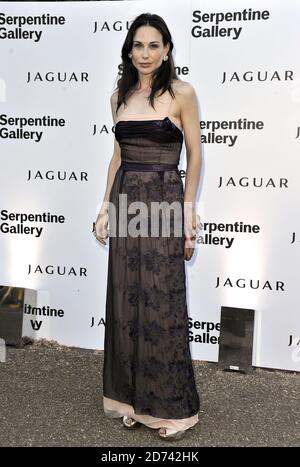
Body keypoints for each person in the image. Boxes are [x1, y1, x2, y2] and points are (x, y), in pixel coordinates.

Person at [93, 12, 202, 441]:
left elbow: (194, 154)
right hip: (126, 201)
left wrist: (189, 212)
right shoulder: (118, 96)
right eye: (138, 45)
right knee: (128, 302)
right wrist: (104, 207)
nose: (145, 53)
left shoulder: (182, 93)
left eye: (154, 45)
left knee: (162, 302)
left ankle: (174, 409)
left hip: (162, 200)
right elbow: (118, 155)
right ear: (129, 50)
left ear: (167, 49)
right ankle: (135, 401)